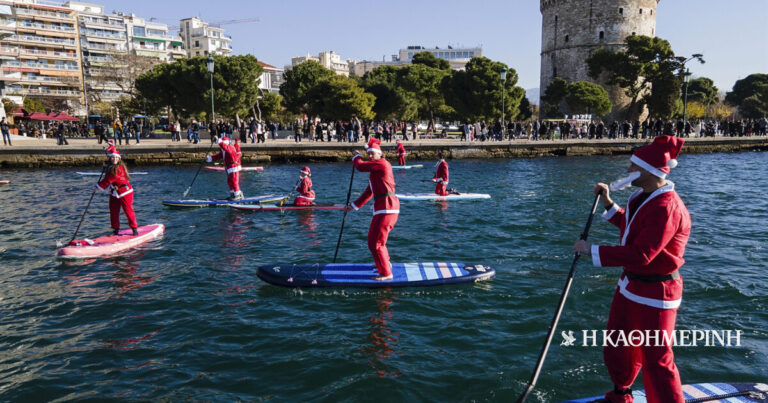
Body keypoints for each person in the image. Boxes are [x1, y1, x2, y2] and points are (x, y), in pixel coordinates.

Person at [573, 135, 690, 403]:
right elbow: (631, 227)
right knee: (618, 344)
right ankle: (621, 394)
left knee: (656, 360)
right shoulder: (643, 196)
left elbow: (642, 254)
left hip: (657, 293)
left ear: (649, 172)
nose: (627, 172)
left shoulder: (667, 207)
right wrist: (607, 202)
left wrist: (591, 249)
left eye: (632, 168)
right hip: (630, 287)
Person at [344, 138, 399, 281]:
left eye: (372, 154)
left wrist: (356, 156)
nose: (369, 156)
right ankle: (384, 264)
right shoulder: (375, 172)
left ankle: (386, 273)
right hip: (384, 207)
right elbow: (369, 192)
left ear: (379, 154)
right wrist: (354, 206)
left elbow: (360, 166)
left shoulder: (382, 163)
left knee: (375, 243)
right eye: (368, 154)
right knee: (376, 241)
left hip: (387, 207)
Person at [96, 146, 138, 236]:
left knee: (128, 211)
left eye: (116, 157)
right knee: (113, 211)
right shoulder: (111, 167)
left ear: (118, 158)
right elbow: (107, 177)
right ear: (110, 158)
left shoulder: (117, 169)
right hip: (115, 192)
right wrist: (105, 169)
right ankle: (115, 230)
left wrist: (98, 186)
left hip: (125, 192)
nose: (114, 159)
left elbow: (108, 180)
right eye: (112, 157)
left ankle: (134, 229)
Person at [206, 136, 243, 200]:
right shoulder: (224, 150)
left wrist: (218, 140)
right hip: (229, 167)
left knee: (234, 181)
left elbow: (225, 147)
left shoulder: (230, 147)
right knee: (229, 181)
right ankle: (233, 194)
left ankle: (238, 194)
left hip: (233, 166)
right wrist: (209, 158)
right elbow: (218, 156)